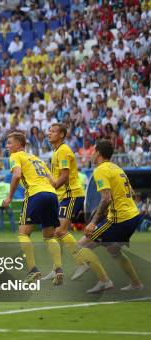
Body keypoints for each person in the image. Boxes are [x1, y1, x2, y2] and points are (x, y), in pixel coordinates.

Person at [79, 140, 143, 293]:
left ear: (99, 153)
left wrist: (93, 223)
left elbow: (106, 198)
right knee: (114, 250)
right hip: (133, 216)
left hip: (120, 220)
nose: (92, 155)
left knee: (81, 246)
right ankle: (136, 284)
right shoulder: (117, 168)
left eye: (93, 152)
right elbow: (132, 194)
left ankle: (104, 281)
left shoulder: (101, 169)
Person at [2, 132, 63, 285]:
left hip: (35, 195)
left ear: (18, 145)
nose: (7, 146)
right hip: (51, 194)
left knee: (23, 233)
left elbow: (16, 175)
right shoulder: (38, 159)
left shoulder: (16, 156)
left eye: (9, 143)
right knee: (49, 236)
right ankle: (59, 269)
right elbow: (55, 182)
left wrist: (9, 197)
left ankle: (33, 270)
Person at [45, 123, 90, 281]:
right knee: (55, 233)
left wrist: (54, 186)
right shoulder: (57, 150)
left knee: (60, 231)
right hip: (64, 196)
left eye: (53, 131)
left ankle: (82, 263)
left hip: (71, 195)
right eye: (49, 130)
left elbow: (64, 175)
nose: (49, 133)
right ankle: (57, 269)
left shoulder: (63, 150)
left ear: (62, 135)